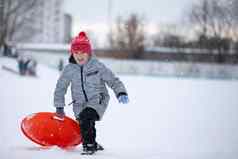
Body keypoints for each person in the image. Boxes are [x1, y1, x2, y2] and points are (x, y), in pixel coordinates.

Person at [53, 31, 129, 155]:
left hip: (98, 100)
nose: (79, 55)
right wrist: (59, 106)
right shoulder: (69, 70)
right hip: (78, 104)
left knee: (86, 117)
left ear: (88, 53)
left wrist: (121, 92)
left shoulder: (97, 66)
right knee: (84, 124)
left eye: (83, 52)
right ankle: (92, 142)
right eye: (76, 52)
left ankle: (89, 147)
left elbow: (112, 80)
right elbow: (60, 88)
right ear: (72, 53)